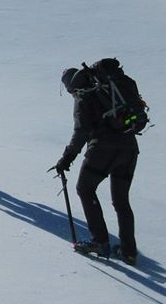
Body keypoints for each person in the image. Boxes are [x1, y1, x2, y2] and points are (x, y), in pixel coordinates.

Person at [55, 66, 139, 264]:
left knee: (85, 189)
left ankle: (100, 242)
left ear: (69, 87)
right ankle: (129, 251)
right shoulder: (107, 90)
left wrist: (66, 158)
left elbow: (81, 131)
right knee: (121, 200)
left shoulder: (83, 96)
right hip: (129, 148)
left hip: (103, 149)